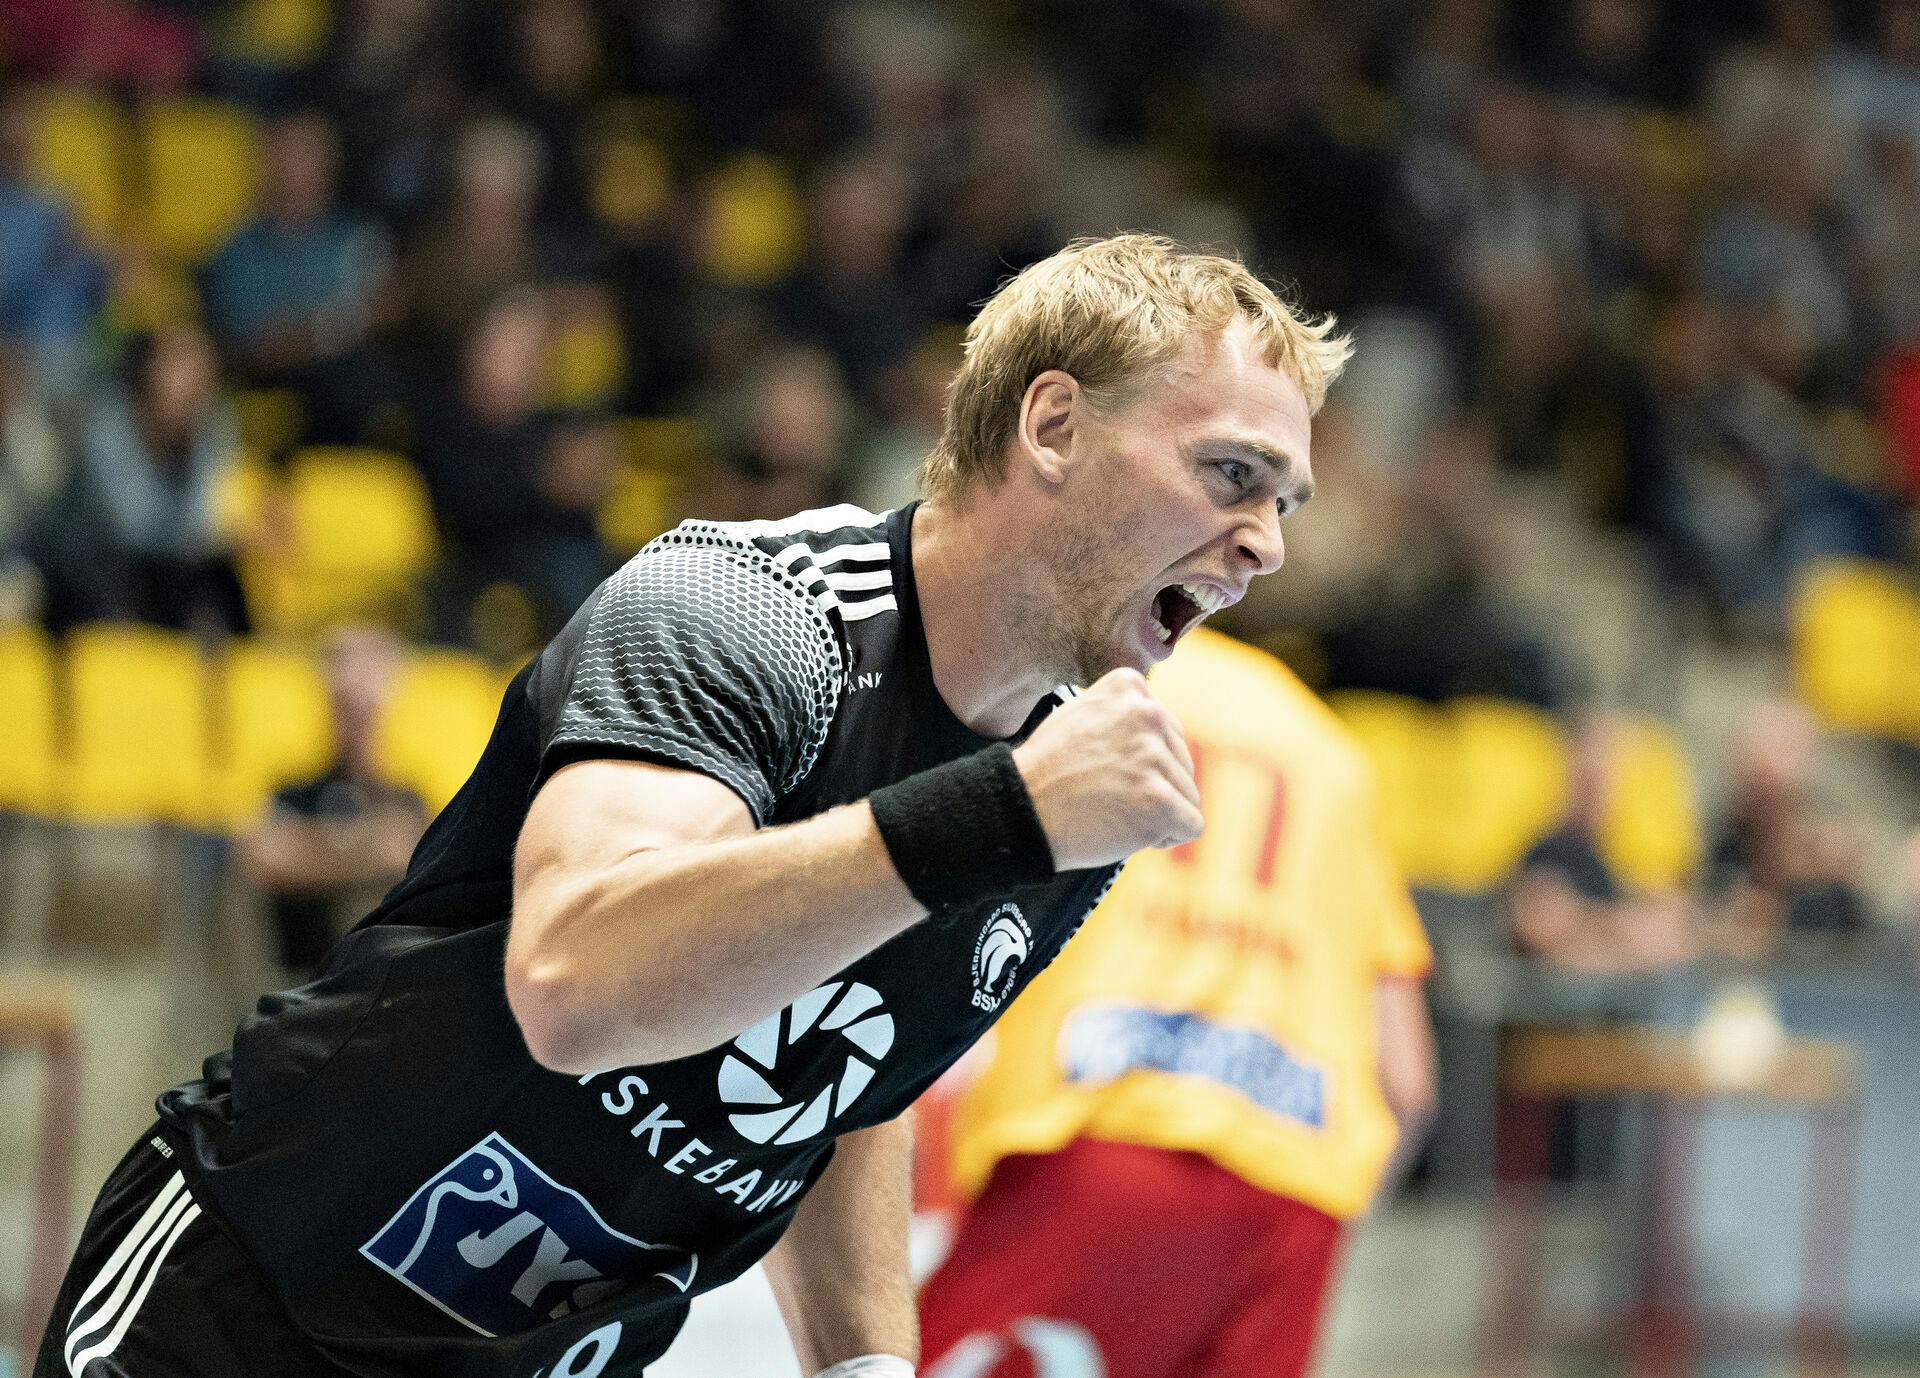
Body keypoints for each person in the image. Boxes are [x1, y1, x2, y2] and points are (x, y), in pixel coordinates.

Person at [35, 233, 1349, 1378]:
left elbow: (858, 1066)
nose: (1268, 544)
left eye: (1283, 501)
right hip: (258, 1308)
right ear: (1052, 424)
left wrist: (865, 1357)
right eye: (1232, 475)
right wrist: (994, 819)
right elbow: (575, 981)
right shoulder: (750, 615)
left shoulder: (1056, 819)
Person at [917, 625, 1436, 1378]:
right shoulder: (1337, 758)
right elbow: (1407, 1086)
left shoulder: (1091, 684)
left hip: (1099, 1134)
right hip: (1297, 1191)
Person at [234, 627, 427, 981]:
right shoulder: (293, 790)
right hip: (301, 982)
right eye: (344, 704)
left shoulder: (407, 795)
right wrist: (366, 849)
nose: (355, 721)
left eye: (365, 707)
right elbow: (266, 859)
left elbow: (409, 858)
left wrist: (312, 850)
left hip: (381, 983)